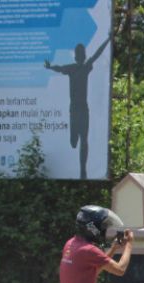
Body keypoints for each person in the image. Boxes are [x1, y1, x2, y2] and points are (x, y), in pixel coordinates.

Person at [44, 37, 110, 178]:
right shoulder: (72, 69)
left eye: (83, 55)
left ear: (83, 56)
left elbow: (97, 54)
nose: (82, 57)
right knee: (74, 142)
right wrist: (50, 67)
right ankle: (73, 136)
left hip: (83, 108)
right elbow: (59, 68)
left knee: (84, 139)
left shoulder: (85, 67)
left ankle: (83, 170)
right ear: (76, 56)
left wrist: (108, 39)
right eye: (79, 55)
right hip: (73, 109)